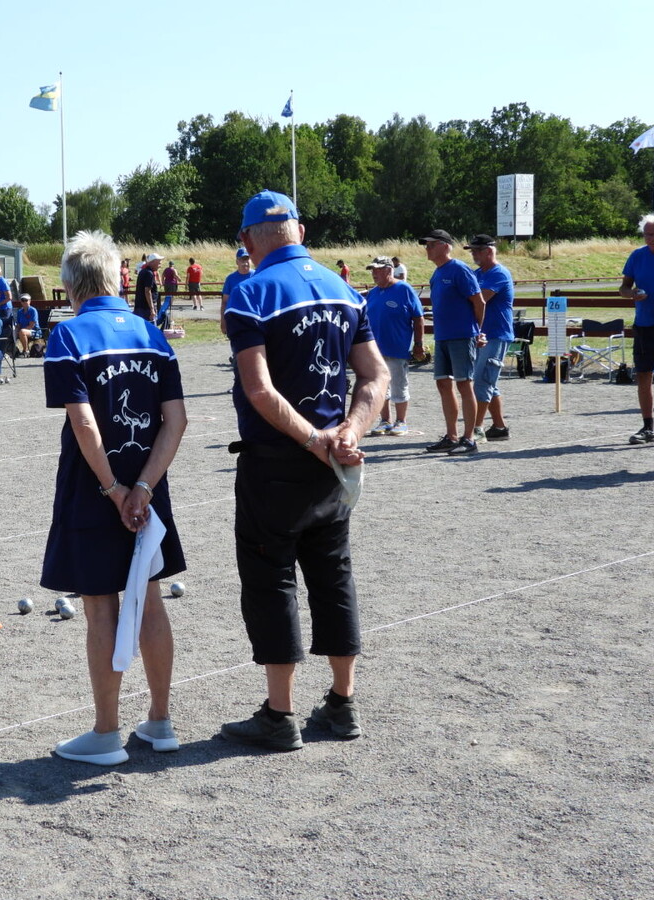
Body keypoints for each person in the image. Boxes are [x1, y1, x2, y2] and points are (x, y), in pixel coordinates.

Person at [220, 190, 388, 751]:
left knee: (271, 582)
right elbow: (376, 376)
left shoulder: (250, 293)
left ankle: (280, 714)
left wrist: (317, 440)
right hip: (333, 462)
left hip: (278, 462)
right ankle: (343, 703)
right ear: (300, 230)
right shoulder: (345, 289)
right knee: (334, 575)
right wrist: (350, 432)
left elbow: (259, 390)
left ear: (248, 239)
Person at [41, 229, 187, 766]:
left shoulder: (69, 334)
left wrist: (113, 488)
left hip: (93, 489)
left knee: (101, 605)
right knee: (149, 597)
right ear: (116, 279)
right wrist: (143, 487)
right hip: (150, 487)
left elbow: (84, 423)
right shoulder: (153, 334)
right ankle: (161, 721)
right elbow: (177, 420)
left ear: (72, 286)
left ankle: (106, 734)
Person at [419, 229, 486, 455]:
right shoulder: (437, 273)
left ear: (446, 246)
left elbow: (479, 302)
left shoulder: (459, 269)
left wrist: (477, 331)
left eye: (432, 244)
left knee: (464, 384)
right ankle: (451, 436)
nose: (427, 249)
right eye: (427, 245)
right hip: (442, 337)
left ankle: (469, 439)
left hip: (462, 336)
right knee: (443, 384)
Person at [619, 213, 654, 444]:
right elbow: (623, 288)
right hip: (645, 324)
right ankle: (647, 427)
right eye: (646, 234)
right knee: (643, 374)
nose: (650, 239)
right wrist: (632, 294)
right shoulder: (637, 256)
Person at [363, 257, 425, 436]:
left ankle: (401, 421)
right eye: (372, 270)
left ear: (389, 270)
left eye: (377, 270)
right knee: (381, 386)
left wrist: (418, 344)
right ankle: (385, 420)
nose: (374, 274)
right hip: (375, 349)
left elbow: (418, 318)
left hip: (397, 347)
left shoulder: (404, 289)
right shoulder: (373, 293)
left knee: (399, 385)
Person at [466, 235, 514, 441]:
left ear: (489, 251)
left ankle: (476, 428)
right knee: (489, 382)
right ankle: (499, 427)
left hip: (496, 333)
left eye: (477, 250)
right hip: (481, 334)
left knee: (482, 381)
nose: (473, 254)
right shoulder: (477, 273)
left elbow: (480, 299)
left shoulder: (498, 273)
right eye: (472, 251)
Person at [219, 248, 252, 337]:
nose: (245, 263)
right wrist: (223, 321)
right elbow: (225, 302)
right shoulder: (231, 279)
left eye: (247, 259)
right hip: (236, 319)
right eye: (242, 260)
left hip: (253, 319)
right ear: (237, 262)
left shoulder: (257, 276)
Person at [133, 252, 162, 322]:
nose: (160, 266)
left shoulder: (144, 271)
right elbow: (147, 291)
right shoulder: (149, 273)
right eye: (158, 263)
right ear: (153, 262)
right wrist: (152, 309)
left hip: (141, 307)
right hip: (145, 308)